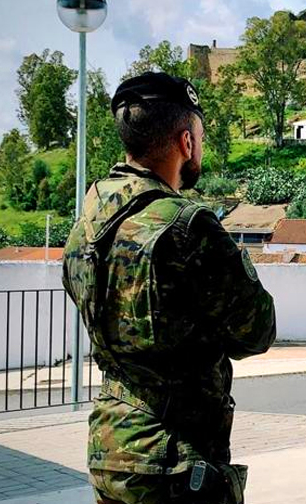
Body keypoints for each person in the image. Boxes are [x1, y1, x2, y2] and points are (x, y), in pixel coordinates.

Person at [62, 72, 276, 504]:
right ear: (186, 142)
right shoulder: (187, 226)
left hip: (112, 448)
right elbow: (257, 332)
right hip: (175, 460)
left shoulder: (87, 224)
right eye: (199, 133)